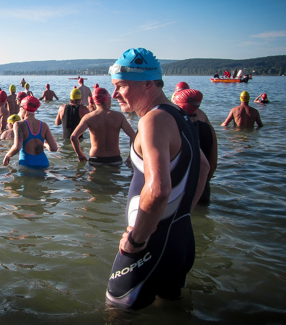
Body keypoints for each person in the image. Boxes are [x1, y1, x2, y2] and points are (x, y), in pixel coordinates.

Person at [106, 48, 209, 310]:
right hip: (181, 239)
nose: (115, 94)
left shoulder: (153, 120)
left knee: (117, 313)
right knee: (170, 311)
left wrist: (136, 241)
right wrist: (181, 211)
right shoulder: (179, 116)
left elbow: (159, 190)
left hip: (151, 245)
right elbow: (204, 167)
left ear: (148, 83)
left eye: (121, 86)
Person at [173, 88, 218, 204]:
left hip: (180, 190)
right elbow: (213, 164)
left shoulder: (177, 128)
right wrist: (204, 182)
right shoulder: (209, 129)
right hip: (203, 188)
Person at [70, 87, 135, 165]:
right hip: (115, 159)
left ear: (94, 102)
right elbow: (133, 136)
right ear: (107, 99)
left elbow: (73, 137)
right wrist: (130, 156)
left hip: (95, 160)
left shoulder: (89, 117)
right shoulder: (119, 116)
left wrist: (80, 154)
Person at [3, 96, 58, 168]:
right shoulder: (44, 125)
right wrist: (44, 144)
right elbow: (54, 148)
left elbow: (17, 147)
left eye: (20, 107)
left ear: (23, 108)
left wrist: (7, 155)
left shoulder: (19, 124)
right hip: (44, 163)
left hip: (27, 164)